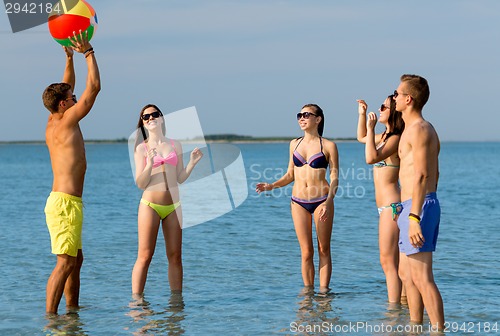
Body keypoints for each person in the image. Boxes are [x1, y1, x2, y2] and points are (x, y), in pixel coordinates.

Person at [42, 31, 100, 314]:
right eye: (71, 97)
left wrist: (68, 58)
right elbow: (94, 89)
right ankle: (51, 321)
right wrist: (88, 53)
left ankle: (72, 313)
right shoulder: (67, 123)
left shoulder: (54, 119)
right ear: (64, 104)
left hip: (66, 203)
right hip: (65, 204)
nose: (75, 97)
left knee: (75, 260)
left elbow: (68, 85)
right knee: (64, 262)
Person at [256, 104, 339, 293]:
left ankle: (324, 293)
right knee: (306, 252)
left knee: (323, 249)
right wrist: (271, 185)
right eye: (299, 115)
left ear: (318, 119)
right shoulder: (294, 144)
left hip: (322, 200)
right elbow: (289, 175)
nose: (301, 118)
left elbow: (335, 178)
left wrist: (328, 201)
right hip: (298, 201)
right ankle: (308, 295)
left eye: (306, 115)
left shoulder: (328, 146)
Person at [132, 104, 203, 296]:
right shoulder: (141, 148)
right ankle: (137, 303)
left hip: (173, 206)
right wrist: (149, 163)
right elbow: (140, 183)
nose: (151, 118)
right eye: (146, 117)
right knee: (145, 256)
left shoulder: (174, 144)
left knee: (175, 257)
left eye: (154, 115)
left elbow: (179, 177)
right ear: (143, 123)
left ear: (162, 118)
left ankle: (176, 304)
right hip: (150, 205)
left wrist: (192, 163)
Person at [394, 74, 444, 330]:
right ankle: (415, 328)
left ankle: (438, 331)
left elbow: (424, 174)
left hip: (419, 206)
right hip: (411, 206)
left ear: (408, 99)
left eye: (397, 93)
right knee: (408, 276)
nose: (394, 97)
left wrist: (414, 217)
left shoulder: (421, 130)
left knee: (423, 278)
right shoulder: (408, 131)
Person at [356, 95, 405, 304]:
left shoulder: (394, 138)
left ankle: (393, 312)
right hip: (385, 207)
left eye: (383, 106)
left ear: (393, 111)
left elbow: (370, 158)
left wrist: (370, 127)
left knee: (387, 261)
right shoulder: (384, 136)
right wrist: (362, 116)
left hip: (391, 206)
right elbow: (361, 138)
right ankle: (403, 307)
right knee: (396, 262)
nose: (380, 108)